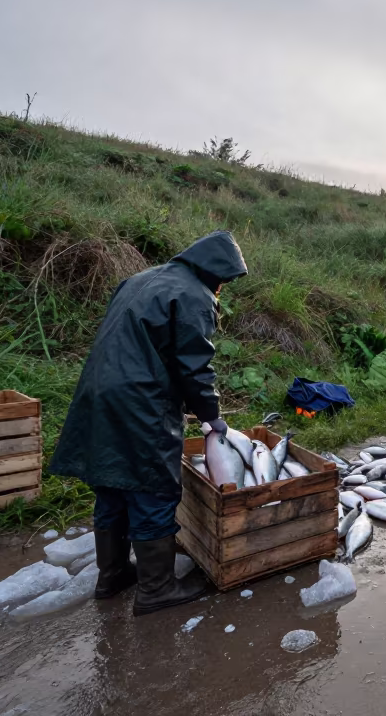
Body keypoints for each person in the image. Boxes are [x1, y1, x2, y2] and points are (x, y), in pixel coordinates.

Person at [49, 231, 248, 616]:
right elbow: (193, 366)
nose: (224, 286)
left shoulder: (142, 279)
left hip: (98, 393)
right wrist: (211, 416)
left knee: (111, 483)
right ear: (216, 270)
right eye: (226, 278)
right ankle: (157, 589)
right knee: (153, 488)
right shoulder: (194, 295)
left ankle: (112, 576)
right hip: (141, 401)